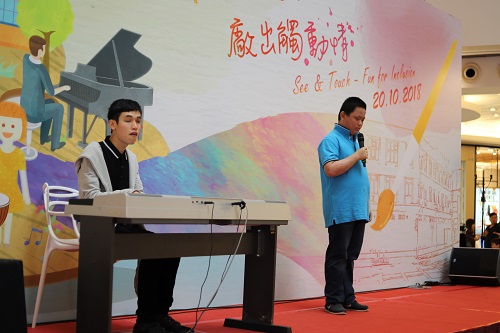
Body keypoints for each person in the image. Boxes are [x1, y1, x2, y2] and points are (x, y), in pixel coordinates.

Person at [75, 99, 192, 333]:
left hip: (127, 225)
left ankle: (159, 315)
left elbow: (138, 195)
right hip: (98, 226)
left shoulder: (132, 158)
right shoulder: (92, 155)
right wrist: (128, 193)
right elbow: (89, 197)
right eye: (128, 120)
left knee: (170, 246)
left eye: (138, 121)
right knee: (151, 246)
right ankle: (146, 321)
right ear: (112, 124)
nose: (135, 126)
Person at [318, 96, 370, 315]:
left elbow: (360, 177)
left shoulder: (355, 141)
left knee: (351, 255)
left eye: (363, 120)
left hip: (358, 208)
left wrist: (366, 204)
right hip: (341, 208)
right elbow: (330, 169)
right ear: (343, 115)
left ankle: (348, 297)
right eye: (356, 118)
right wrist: (356, 155)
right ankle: (333, 299)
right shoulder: (330, 140)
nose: (359, 123)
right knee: (338, 255)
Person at [20, 35, 71, 152]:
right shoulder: (41, 69)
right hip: (33, 113)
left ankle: (44, 138)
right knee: (58, 108)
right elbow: (51, 91)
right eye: (44, 48)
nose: (45, 50)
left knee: (50, 102)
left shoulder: (26, 58)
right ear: (40, 51)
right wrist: (64, 87)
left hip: (24, 107)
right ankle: (55, 144)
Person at [0, 101, 31, 244]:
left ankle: (6, 241)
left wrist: (26, 196)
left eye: (13, 126)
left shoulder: (18, 154)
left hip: (11, 190)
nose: (7, 129)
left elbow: (22, 176)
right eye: (3, 124)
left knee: (9, 215)